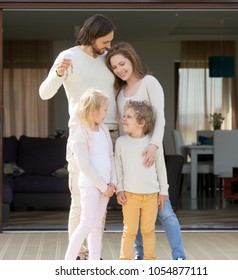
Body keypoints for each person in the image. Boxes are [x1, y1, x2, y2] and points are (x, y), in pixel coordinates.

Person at [39, 14, 118, 260]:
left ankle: (93, 255)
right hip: (82, 133)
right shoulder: (68, 57)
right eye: (105, 41)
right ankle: (79, 256)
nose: (108, 47)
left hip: (109, 133)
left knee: (103, 196)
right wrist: (58, 74)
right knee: (81, 198)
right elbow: (44, 92)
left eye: (110, 42)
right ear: (92, 36)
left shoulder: (108, 60)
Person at [106, 42, 186, 260]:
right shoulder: (120, 92)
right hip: (132, 158)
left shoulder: (149, 82)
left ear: (131, 59)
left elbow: (160, 117)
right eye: (114, 67)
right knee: (138, 218)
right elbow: (123, 125)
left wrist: (154, 145)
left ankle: (179, 257)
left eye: (122, 63)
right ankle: (140, 256)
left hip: (152, 152)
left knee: (166, 212)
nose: (119, 69)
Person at [64, 89, 117, 260]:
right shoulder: (80, 133)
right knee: (86, 224)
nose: (106, 113)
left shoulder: (104, 130)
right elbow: (84, 165)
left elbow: (111, 156)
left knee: (96, 226)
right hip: (90, 186)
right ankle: (68, 262)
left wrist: (113, 183)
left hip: (106, 187)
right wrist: (102, 186)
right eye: (104, 109)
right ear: (93, 110)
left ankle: (94, 262)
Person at [115, 100, 168, 260]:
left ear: (142, 122)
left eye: (129, 116)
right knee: (129, 231)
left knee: (148, 231)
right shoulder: (120, 142)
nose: (124, 119)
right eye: (124, 115)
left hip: (151, 195)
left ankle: (150, 262)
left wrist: (163, 191)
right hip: (130, 196)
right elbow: (118, 168)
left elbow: (161, 168)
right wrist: (119, 189)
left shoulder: (153, 143)